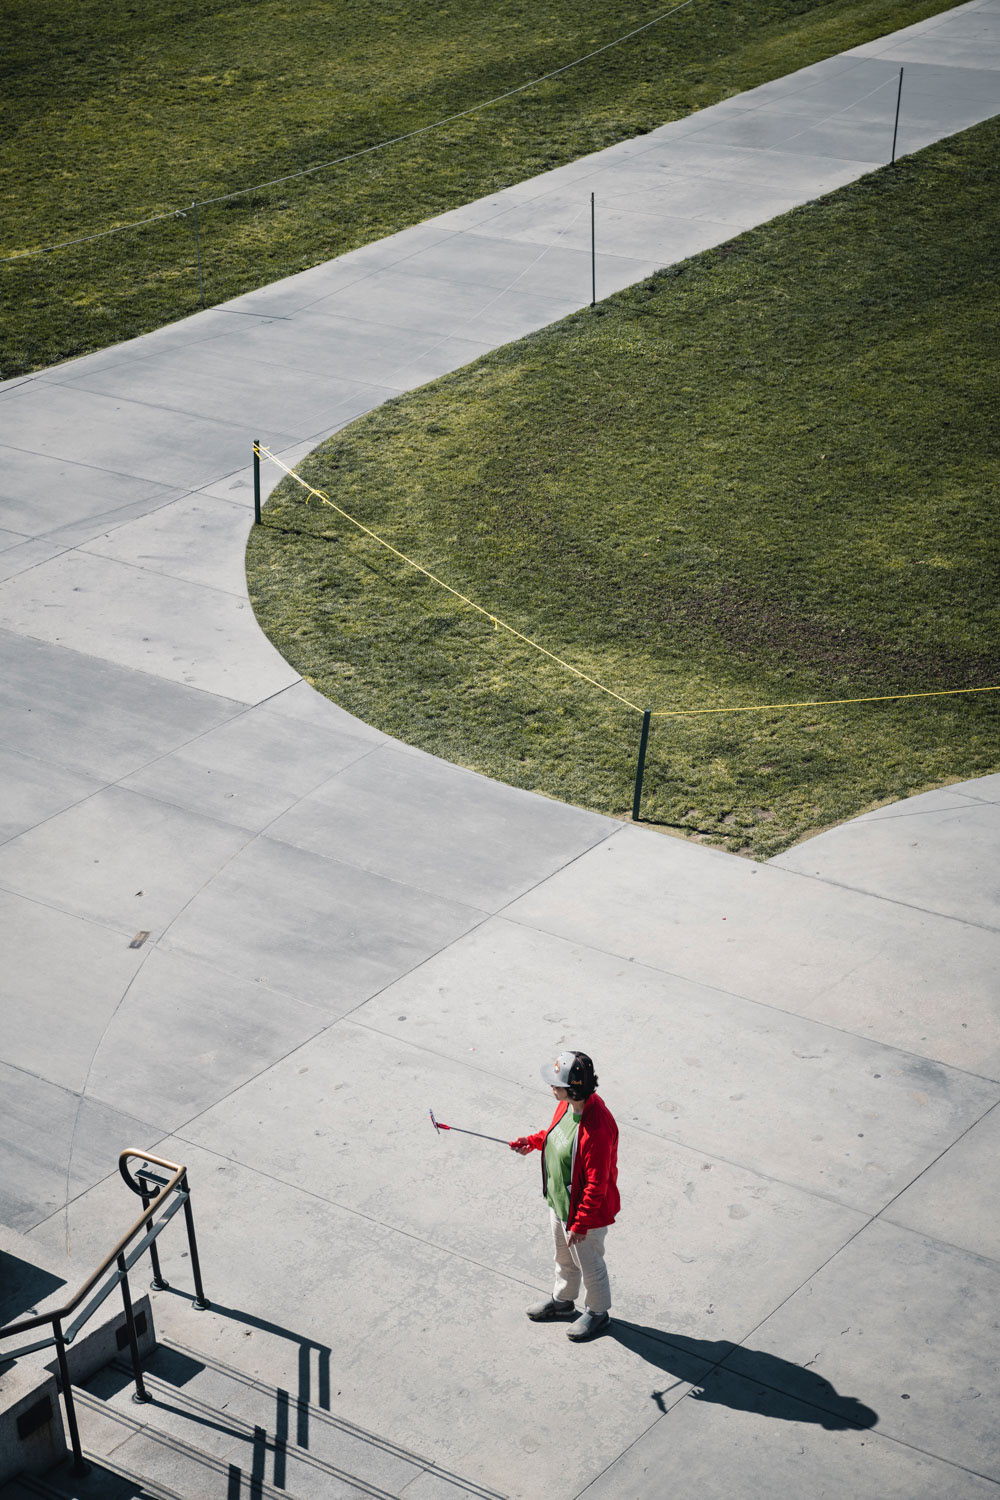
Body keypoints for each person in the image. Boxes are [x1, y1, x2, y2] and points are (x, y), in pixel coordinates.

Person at [510, 1050, 619, 1342]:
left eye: (556, 1083)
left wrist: (581, 1223)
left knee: (590, 1263)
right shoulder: (568, 1106)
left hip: (585, 1214)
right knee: (563, 1256)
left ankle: (598, 1314)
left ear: (573, 1089)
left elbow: (597, 1184)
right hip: (561, 1202)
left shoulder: (597, 1127)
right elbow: (555, 1136)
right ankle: (563, 1301)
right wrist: (531, 1142)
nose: (551, 1086)